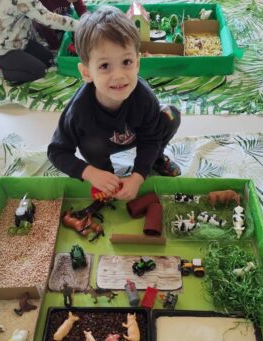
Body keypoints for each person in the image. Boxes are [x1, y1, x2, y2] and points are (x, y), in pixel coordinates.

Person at [47, 5, 181, 201]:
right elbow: (56, 151)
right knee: (91, 143)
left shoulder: (145, 98)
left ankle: (156, 160)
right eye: (104, 66)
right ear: (86, 73)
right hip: (99, 146)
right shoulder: (78, 110)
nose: (118, 76)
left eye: (126, 62)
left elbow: (151, 139)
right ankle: (105, 173)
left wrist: (138, 176)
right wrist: (90, 173)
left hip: (137, 135)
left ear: (137, 63)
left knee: (170, 114)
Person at [0, 0, 78, 83]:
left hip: (19, 41)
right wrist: (79, 25)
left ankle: (2, 62)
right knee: (39, 71)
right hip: (2, 49)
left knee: (48, 59)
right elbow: (48, 19)